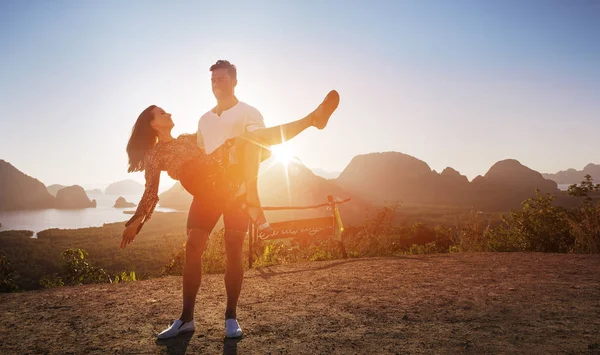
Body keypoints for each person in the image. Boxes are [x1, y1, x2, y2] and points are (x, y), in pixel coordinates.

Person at [120, 64, 339, 339]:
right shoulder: (157, 154)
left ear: (234, 81)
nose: (169, 113)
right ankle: (186, 319)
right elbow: (151, 192)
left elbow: (234, 146)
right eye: (162, 113)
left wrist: (241, 158)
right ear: (153, 123)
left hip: (226, 181)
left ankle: (231, 317)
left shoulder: (191, 138)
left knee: (234, 247)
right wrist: (135, 223)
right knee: (193, 248)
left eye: (221, 78)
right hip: (205, 193)